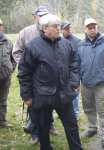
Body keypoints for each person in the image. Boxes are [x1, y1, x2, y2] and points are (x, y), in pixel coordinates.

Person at [17, 14, 83, 150]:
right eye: (55, 26)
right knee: (43, 126)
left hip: (64, 94)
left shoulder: (66, 44)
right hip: (42, 96)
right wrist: (27, 95)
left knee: (71, 125)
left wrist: (73, 82)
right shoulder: (32, 46)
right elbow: (24, 72)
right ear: (44, 28)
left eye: (59, 25)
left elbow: (73, 64)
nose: (59, 28)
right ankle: (45, 147)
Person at [12, 6, 58, 145]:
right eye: (41, 15)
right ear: (35, 17)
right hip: (32, 79)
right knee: (34, 106)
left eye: (46, 15)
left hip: (49, 79)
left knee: (50, 103)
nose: (43, 18)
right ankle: (35, 133)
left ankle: (49, 125)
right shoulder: (25, 32)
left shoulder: (53, 32)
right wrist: (27, 65)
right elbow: (16, 52)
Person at [77, 18, 104, 149]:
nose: (92, 29)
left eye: (94, 27)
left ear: (97, 27)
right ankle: (92, 127)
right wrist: (77, 82)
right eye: (89, 27)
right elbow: (77, 64)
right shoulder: (80, 45)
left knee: (103, 110)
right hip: (86, 84)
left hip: (101, 83)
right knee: (88, 108)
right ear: (85, 29)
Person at [60, 20, 81, 120]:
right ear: (62, 30)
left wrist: (78, 77)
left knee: (75, 93)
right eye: (66, 28)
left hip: (74, 71)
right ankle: (64, 111)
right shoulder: (59, 40)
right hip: (63, 72)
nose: (69, 30)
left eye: (70, 28)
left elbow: (79, 59)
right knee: (64, 92)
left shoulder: (77, 41)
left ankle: (75, 113)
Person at [0, 18, 17, 128]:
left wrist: (11, 69)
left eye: (0, 25)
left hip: (6, 76)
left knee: (3, 100)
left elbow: (14, 57)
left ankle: (2, 121)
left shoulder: (8, 42)